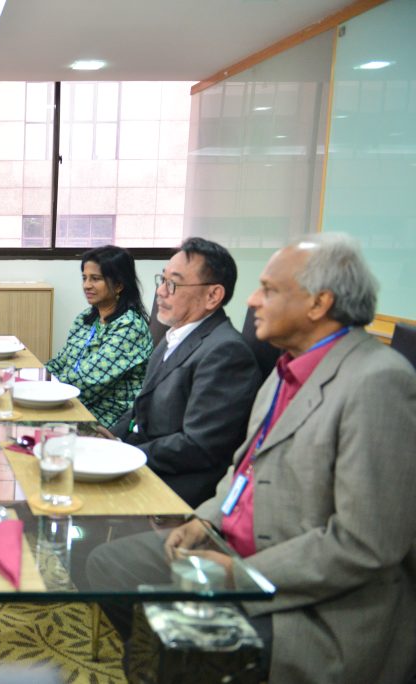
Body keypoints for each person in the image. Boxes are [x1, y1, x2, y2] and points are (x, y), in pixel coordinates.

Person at [103, 234, 416, 683]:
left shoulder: (378, 382)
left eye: (268, 289)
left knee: (178, 643)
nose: (251, 300)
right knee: (110, 568)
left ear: (318, 303)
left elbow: (365, 543)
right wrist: (206, 520)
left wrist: (241, 573)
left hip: (315, 603)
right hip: (232, 545)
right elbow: (242, 471)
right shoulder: (286, 369)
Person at [111, 237, 261, 507]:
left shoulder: (225, 352)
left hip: (177, 487)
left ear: (213, 295)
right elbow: (141, 407)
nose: (160, 292)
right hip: (147, 462)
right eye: (162, 280)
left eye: (174, 284)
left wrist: (125, 453)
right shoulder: (175, 335)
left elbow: (198, 445)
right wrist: (110, 436)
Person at [45, 245, 153, 429]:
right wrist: (29, 377)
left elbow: (89, 381)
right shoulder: (86, 318)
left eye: (96, 279)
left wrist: (40, 391)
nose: (87, 285)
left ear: (118, 285)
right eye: (84, 278)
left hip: (106, 418)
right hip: (75, 402)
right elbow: (60, 362)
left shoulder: (129, 327)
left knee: (22, 420)